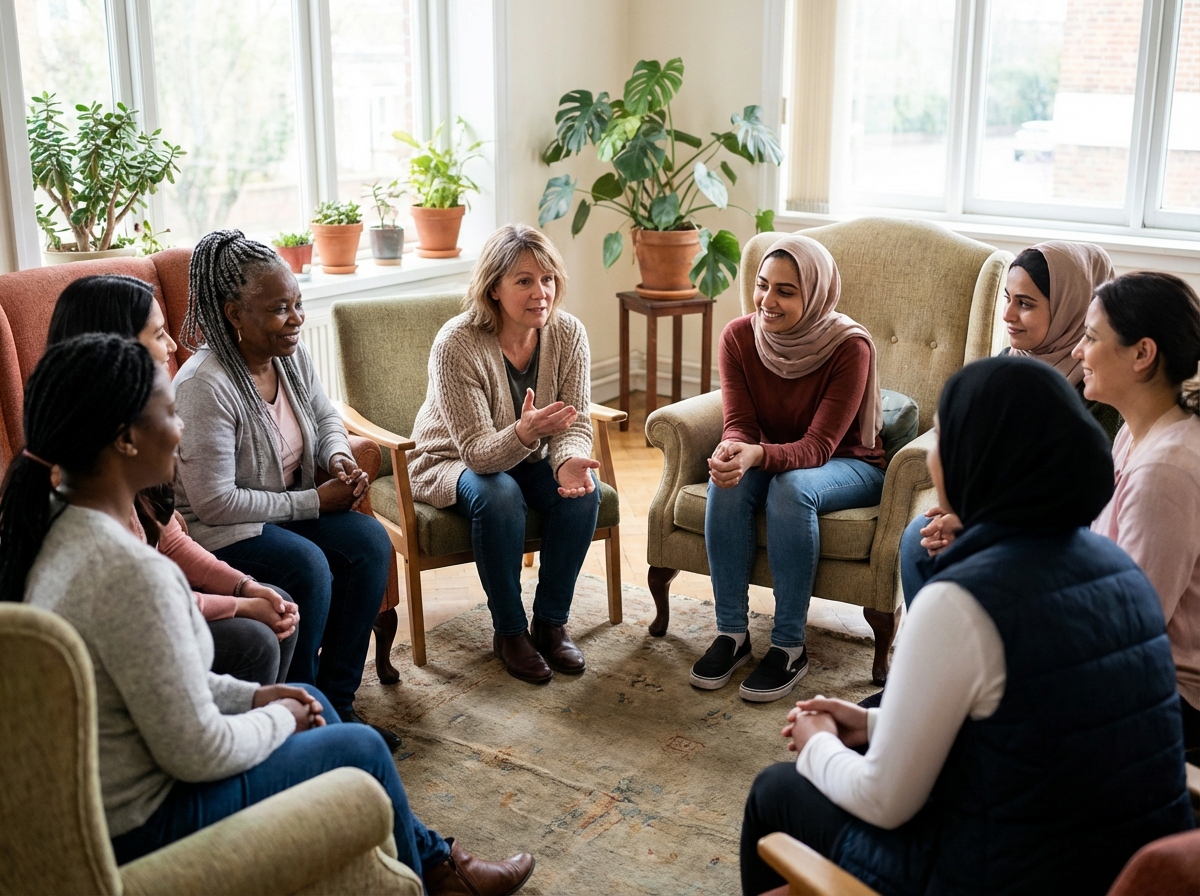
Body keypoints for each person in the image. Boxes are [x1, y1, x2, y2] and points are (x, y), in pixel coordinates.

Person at [0, 334, 536, 894]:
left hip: (112, 788)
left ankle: (437, 866)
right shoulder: (133, 574)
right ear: (125, 440)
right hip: (144, 821)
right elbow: (199, 749)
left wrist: (256, 698)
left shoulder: (50, 528)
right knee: (362, 748)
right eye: (168, 413)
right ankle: (440, 880)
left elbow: (158, 683)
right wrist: (279, 718)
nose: (181, 430)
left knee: (319, 702)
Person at [739, 356, 1193, 896]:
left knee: (777, 790)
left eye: (941, 440)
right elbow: (1037, 731)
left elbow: (885, 800)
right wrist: (875, 726)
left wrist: (817, 743)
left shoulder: (961, 603)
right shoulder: (1121, 570)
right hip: (1113, 868)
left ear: (974, 461)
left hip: (1000, 876)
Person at [172, 230, 400, 749]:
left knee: (370, 542)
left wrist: (336, 455)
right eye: (280, 308)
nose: (296, 318)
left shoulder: (288, 354)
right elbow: (214, 501)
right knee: (307, 566)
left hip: (286, 510)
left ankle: (338, 703)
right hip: (222, 529)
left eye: (297, 303)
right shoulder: (203, 386)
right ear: (234, 314)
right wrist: (314, 501)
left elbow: (324, 414)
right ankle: (301, 709)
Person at [47, 273, 298, 685]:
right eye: (159, 334)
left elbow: (171, 542)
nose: (172, 347)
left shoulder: (124, 439)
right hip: (126, 640)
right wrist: (238, 605)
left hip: (156, 609)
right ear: (117, 346)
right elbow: (144, 602)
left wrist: (244, 587)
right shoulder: (90, 475)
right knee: (255, 637)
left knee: (275, 605)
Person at [690, 234, 885, 703]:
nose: (767, 302)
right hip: (777, 455)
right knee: (729, 481)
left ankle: (789, 646)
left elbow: (819, 446)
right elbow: (739, 424)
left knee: (791, 488)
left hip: (848, 464)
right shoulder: (739, 336)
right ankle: (732, 635)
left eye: (785, 291)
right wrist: (733, 451)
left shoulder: (848, 347)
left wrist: (758, 455)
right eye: (762, 286)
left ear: (815, 294)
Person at [407, 223, 601, 684]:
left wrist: (570, 460)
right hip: (448, 459)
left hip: (525, 454)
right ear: (493, 288)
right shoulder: (456, 343)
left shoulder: (569, 334)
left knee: (585, 494)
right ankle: (510, 631)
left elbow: (575, 422)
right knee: (499, 495)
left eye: (548, 278)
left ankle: (551, 624)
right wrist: (525, 430)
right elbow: (477, 453)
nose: (542, 292)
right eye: (524, 281)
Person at [899, 241, 1120, 608]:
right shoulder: (1007, 364)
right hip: (994, 515)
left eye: (1025, 303)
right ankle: (939, 654)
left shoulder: (1096, 385)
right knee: (918, 539)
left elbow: (1088, 493)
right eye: (1008, 298)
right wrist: (960, 513)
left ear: (1071, 307)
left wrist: (979, 525)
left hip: (1061, 528)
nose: (1008, 315)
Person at [1075, 271, 1200, 753]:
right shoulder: (1135, 433)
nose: (1076, 352)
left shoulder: (1166, 470)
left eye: (1089, 338)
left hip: (1166, 699)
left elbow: (1130, 626)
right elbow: (1098, 550)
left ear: (1142, 354)